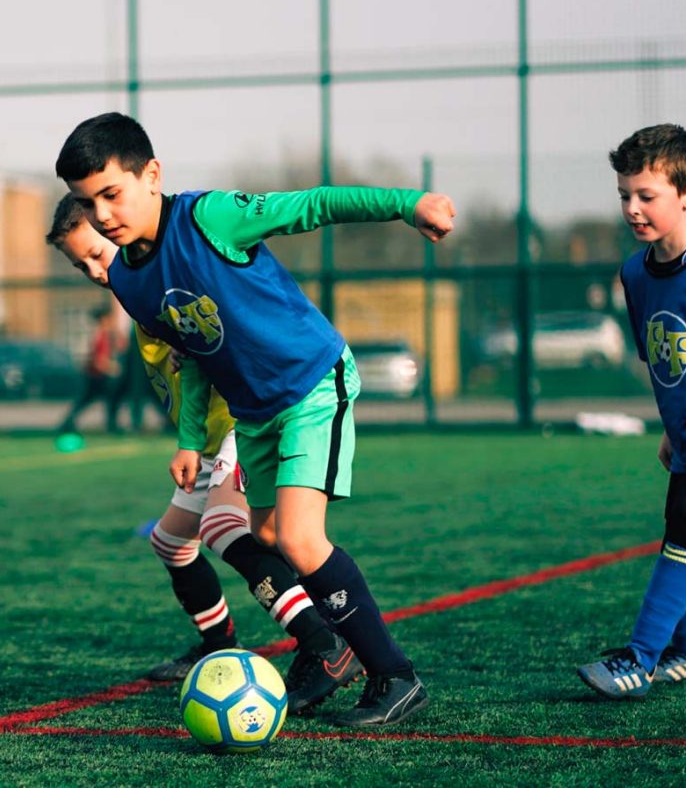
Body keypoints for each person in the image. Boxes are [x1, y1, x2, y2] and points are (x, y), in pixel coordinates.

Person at [56, 112, 456, 726]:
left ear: (152, 175)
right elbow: (193, 360)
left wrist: (409, 203)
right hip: (255, 412)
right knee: (265, 538)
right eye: (89, 203)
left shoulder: (209, 217)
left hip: (312, 382)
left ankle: (395, 675)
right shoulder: (131, 284)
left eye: (112, 193)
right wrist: (191, 441)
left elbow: (314, 205)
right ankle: (332, 644)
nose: (104, 214)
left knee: (299, 539)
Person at [48, 198, 362, 713]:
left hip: (242, 422)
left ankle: (324, 644)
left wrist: (193, 350)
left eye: (96, 255)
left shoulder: (162, 277)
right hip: (207, 442)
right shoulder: (135, 294)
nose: (93, 270)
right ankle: (219, 644)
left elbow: (224, 333)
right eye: (80, 264)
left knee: (224, 528)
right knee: (171, 542)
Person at [577, 124, 686, 698]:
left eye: (646, 195)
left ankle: (641, 658)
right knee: (682, 529)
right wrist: (672, 428)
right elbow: (662, 360)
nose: (632, 208)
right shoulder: (634, 274)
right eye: (625, 194)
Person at [58, 305, 124, 434]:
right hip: (97, 377)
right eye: (109, 318)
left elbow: (120, 346)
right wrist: (114, 368)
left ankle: (111, 426)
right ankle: (67, 424)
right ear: (103, 319)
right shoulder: (102, 335)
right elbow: (100, 361)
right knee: (88, 401)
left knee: (109, 401)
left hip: (99, 376)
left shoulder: (107, 334)